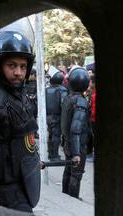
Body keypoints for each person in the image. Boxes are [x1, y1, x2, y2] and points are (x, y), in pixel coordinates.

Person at [0, 27, 41, 213]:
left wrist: (32, 160)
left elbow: (26, 137)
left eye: (23, 66)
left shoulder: (20, 94)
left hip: (22, 182)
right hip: (5, 191)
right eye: (12, 65)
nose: (19, 72)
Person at [61, 66, 91, 199]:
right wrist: (77, 153)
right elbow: (76, 128)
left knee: (68, 170)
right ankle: (72, 199)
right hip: (77, 145)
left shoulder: (68, 98)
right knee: (76, 174)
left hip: (68, 143)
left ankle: (65, 196)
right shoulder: (81, 102)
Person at [45, 71, 68, 161]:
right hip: (58, 116)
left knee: (50, 135)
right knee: (56, 136)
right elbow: (64, 105)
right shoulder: (62, 90)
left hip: (48, 116)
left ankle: (51, 154)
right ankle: (54, 155)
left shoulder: (46, 90)